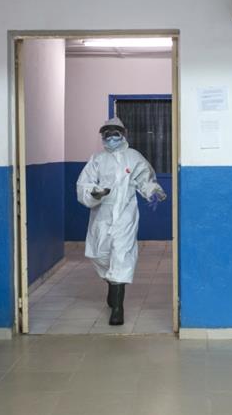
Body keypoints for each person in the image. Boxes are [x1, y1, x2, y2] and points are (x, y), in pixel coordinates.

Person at [76, 117, 167, 325]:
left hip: (125, 214)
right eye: (106, 134)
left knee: (122, 255)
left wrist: (153, 192)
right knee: (100, 254)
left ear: (123, 134)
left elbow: (145, 178)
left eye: (114, 133)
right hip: (102, 215)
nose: (110, 138)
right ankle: (112, 283)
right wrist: (95, 193)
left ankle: (118, 309)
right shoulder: (97, 159)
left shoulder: (133, 157)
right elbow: (83, 185)